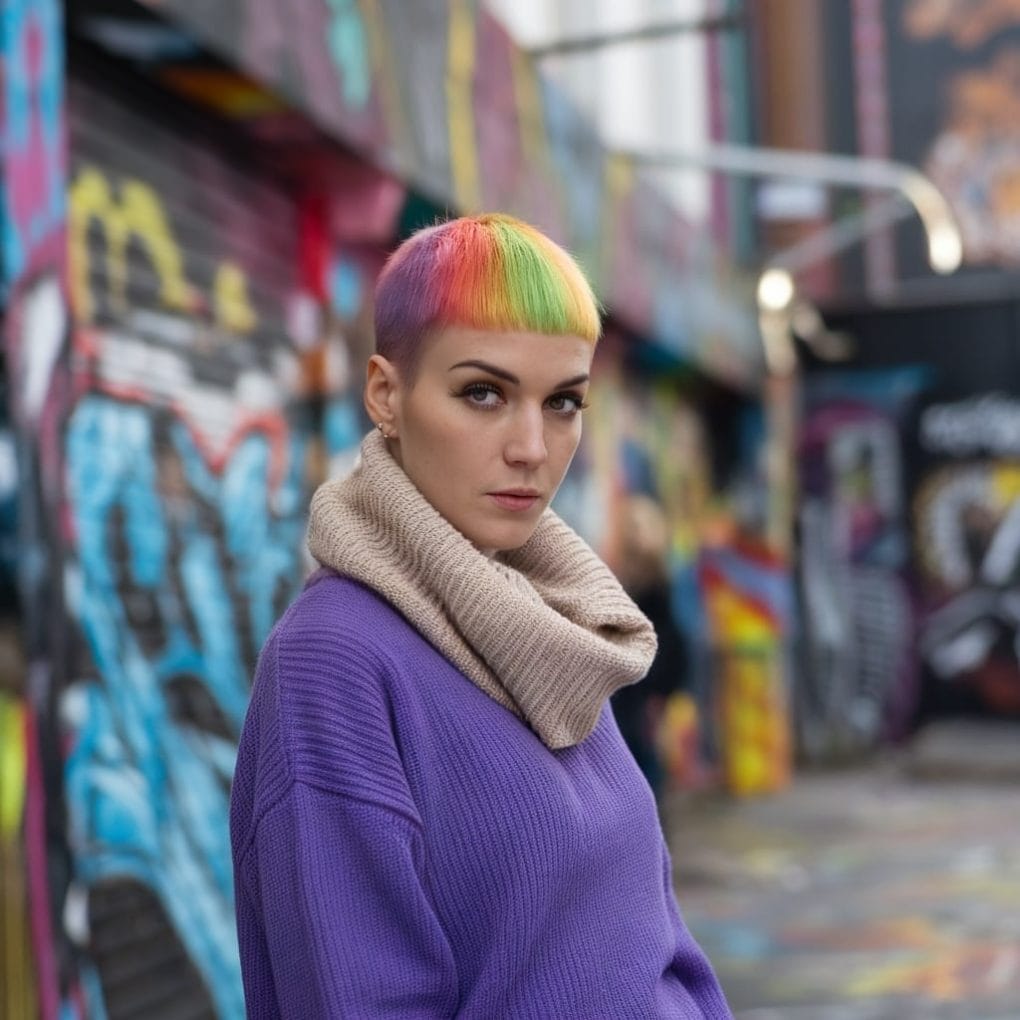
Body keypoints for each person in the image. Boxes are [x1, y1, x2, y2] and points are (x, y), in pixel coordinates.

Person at [229, 213, 732, 1018]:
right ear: (386, 395)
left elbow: (655, 950)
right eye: (484, 393)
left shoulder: (557, 626)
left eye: (563, 402)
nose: (531, 446)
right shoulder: (335, 660)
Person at [611, 492, 690, 798]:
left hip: (649, 687)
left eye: (640, 527)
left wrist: (663, 689)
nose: (635, 535)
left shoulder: (661, 585)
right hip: (633, 689)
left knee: (647, 757)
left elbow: (673, 642)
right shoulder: (625, 580)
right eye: (630, 527)